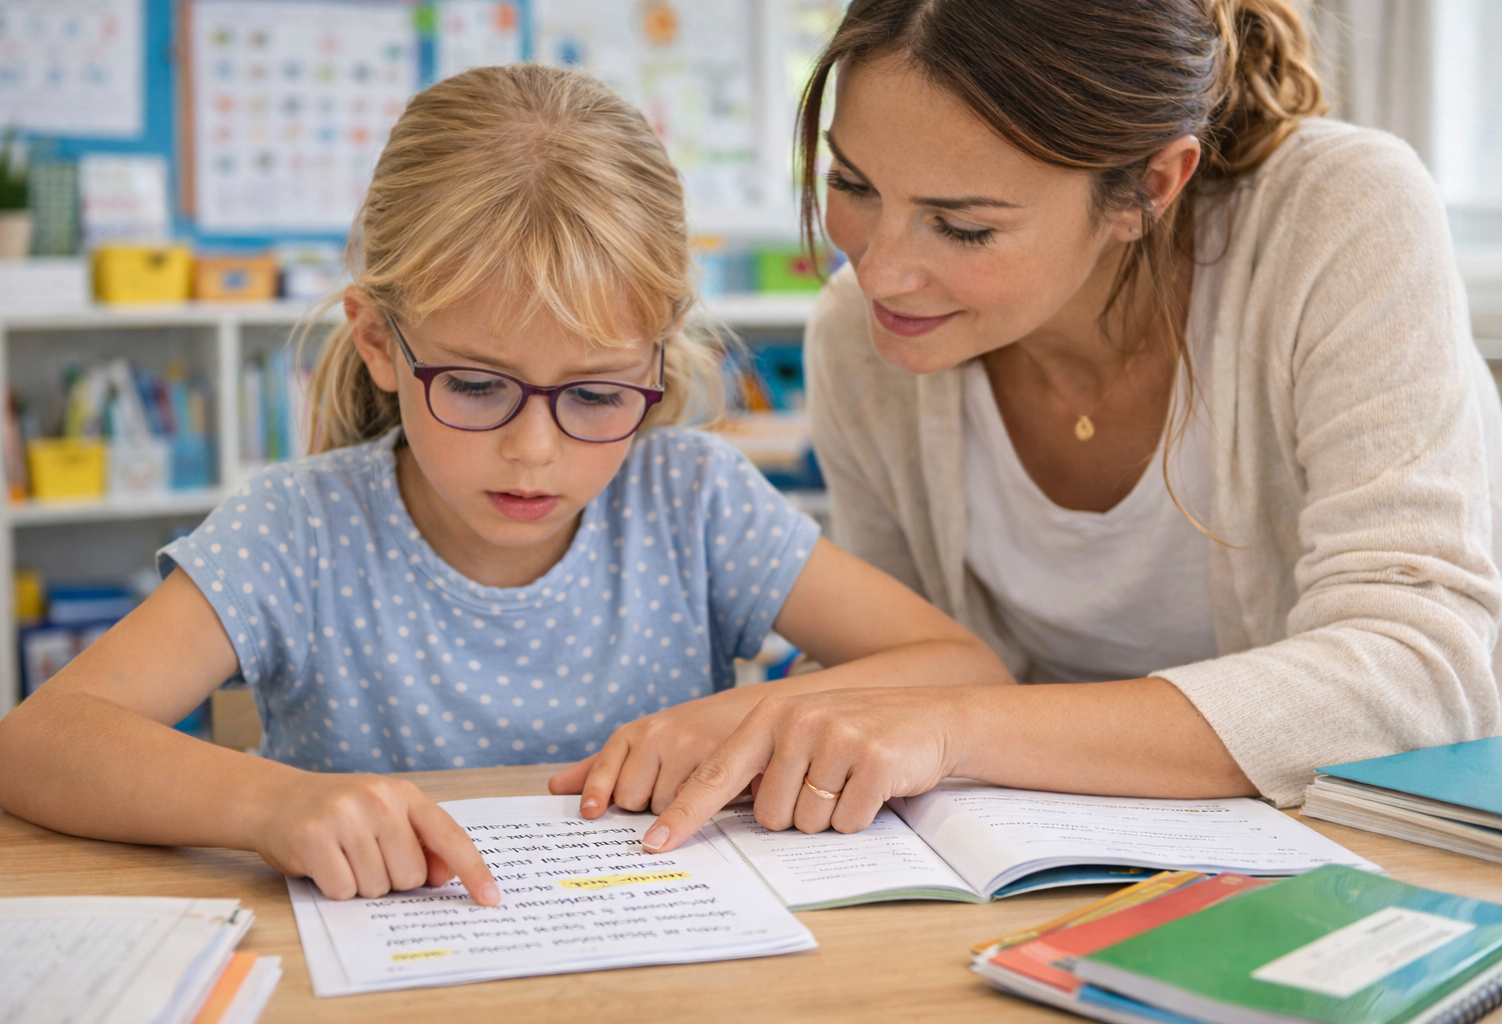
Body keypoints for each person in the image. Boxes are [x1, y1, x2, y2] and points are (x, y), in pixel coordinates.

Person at [0, 64, 1001, 903]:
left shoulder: (691, 499)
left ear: (656, 362)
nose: (535, 452)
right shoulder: (300, 530)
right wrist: (268, 807)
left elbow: (961, 669)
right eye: (475, 385)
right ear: (380, 341)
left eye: (598, 394)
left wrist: (752, 719)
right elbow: (37, 744)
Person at [624, 0, 1502, 857]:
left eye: (963, 226)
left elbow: (1420, 675)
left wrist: (955, 725)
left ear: (1150, 187)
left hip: (1372, 862)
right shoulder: (860, 340)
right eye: (851, 183)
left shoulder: (1337, 211)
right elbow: (897, 666)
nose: (879, 272)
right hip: (1048, 858)